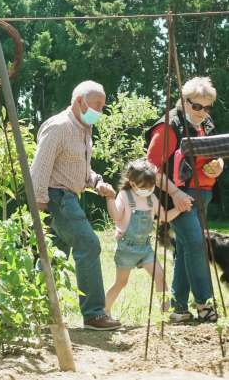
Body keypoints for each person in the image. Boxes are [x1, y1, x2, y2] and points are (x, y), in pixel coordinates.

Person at [30, 80, 121, 331]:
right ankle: (94, 314)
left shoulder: (83, 129)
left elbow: (78, 167)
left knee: (53, 258)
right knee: (89, 245)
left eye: (103, 106)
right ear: (79, 101)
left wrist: (96, 182)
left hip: (68, 195)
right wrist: (39, 208)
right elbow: (39, 169)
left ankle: (34, 310)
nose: (100, 111)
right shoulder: (59, 127)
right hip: (55, 198)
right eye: (97, 105)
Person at [146, 76, 223, 323]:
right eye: (197, 106)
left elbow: (216, 153)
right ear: (184, 101)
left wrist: (218, 165)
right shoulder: (169, 126)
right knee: (197, 244)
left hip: (203, 195)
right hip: (176, 197)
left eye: (207, 106)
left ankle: (178, 309)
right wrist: (176, 194)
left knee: (186, 247)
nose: (203, 112)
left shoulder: (206, 123)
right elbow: (150, 169)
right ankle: (205, 304)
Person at [104, 159, 184, 316]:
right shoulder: (124, 196)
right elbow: (116, 216)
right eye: (143, 187)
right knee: (121, 283)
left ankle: (166, 313)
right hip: (126, 248)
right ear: (132, 183)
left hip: (145, 248)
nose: (147, 190)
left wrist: (180, 208)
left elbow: (165, 216)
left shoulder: (151, 198)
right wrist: (110, 199)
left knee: (160, 277)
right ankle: (103, 311)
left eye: (151, 186)